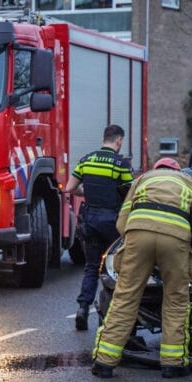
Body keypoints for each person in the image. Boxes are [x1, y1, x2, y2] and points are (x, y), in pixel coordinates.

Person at [91, 156, 192, 378]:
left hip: (138, 235)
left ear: (156, 169)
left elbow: (121, 223)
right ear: (179, 170)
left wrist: (136, 242)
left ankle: (104, 362)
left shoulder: (141, 180)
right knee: (176, 301)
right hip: (176, 240)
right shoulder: (190, 182)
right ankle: (173, 364)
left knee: (125, 299)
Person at [65, 125, 134, 331]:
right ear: (119, 141)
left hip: (90, 220)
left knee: (91, 267)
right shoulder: (121, 163)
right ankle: (109, 316)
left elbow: (69, 188)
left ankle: (82, 309)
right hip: (112, 222)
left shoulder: (87, 160)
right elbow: (132, 192)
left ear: (104, 138)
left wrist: (85, 194)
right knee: (115, 268)